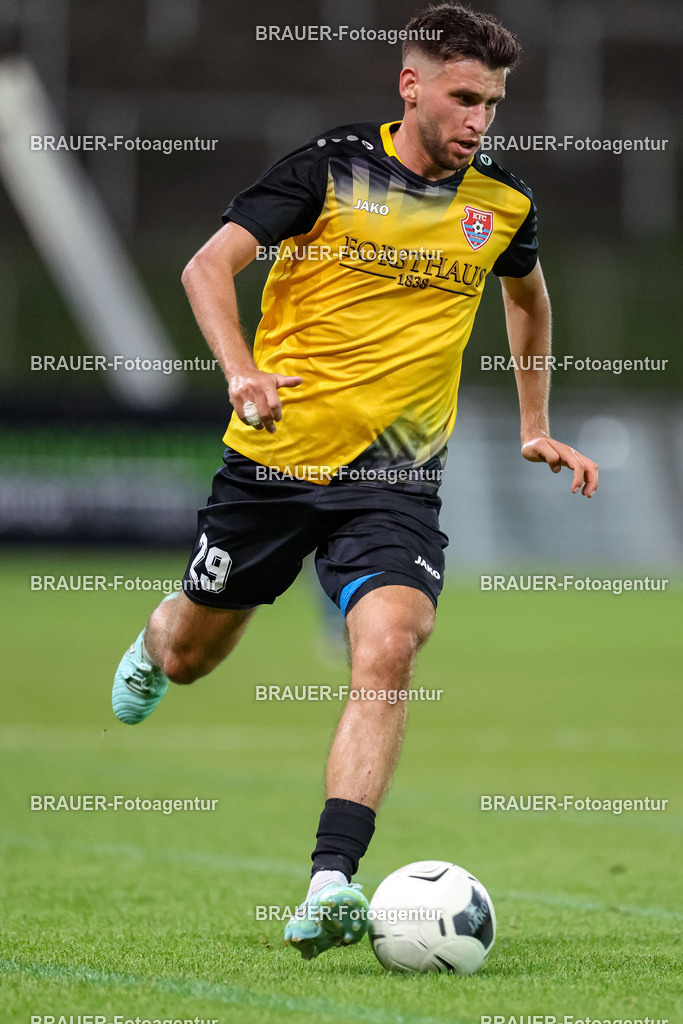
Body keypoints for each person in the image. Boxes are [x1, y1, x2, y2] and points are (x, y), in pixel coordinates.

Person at [111, 2, 598, 961]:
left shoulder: (500, 203)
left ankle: (332, 882)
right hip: (271, 465)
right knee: (188, 658)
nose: (477, 121)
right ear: (411, 86)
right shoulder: (327, 167)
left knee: (390, 643)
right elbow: (208, 267)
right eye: (462, 98)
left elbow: (529, 298)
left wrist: (537, 424)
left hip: (395, 479)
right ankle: (160, 628)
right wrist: (240, 371)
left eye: (492, 104)